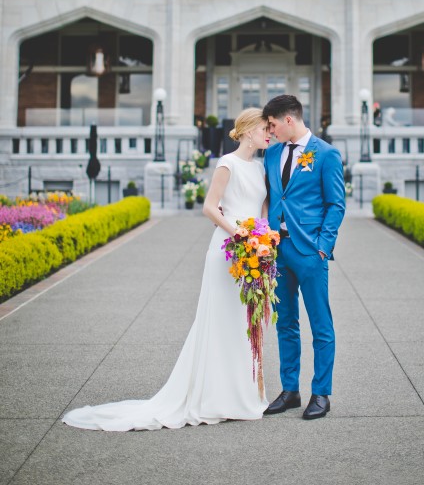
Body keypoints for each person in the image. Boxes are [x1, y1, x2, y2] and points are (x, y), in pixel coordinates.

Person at [62, 108, 271, 431]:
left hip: (255, 252)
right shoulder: (226, 164)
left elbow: (263, 211)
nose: (268, 133)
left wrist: (264, 240)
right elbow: (208, 207)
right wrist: (239, 234)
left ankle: (243, 394)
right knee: (220, 320)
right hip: (227, 250)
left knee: (244, 322)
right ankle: (213, 397)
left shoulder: (261, 168)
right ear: (246, 131)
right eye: (263, 128)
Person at [262, 94, 345, 420]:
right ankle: (290, 390)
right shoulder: (270, 154)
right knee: (285, 323)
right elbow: (269, 195)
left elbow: (336, 204)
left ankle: (321, 393)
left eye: (272, 125)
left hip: (310, 252)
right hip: (277, 250)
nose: (270, 132)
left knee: (320, 324)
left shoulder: (325, 154)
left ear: (289, 120)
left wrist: (322, 247)